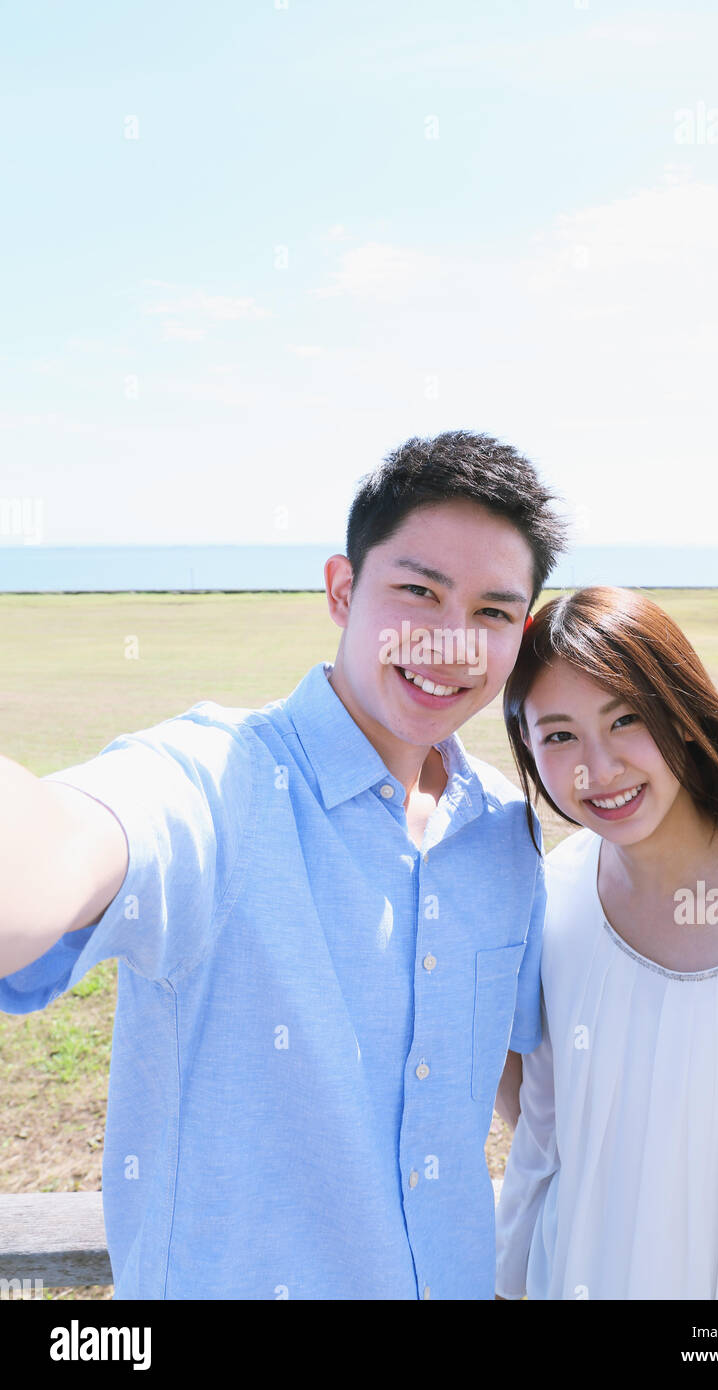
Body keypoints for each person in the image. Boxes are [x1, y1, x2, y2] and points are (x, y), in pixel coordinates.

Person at [0, 430, 568, 1300]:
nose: (452, 644)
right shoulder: (220, 780)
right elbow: (56, 845)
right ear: (343, 590)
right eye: (419, 592)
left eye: (492, 613)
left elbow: (521, 1076)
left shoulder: (500, 833)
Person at [494, 585, 718, 1300]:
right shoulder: (555, 892)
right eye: (559, 735)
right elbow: (543, 1144)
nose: (598, 770)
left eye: (626, 719)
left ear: (684, 714)